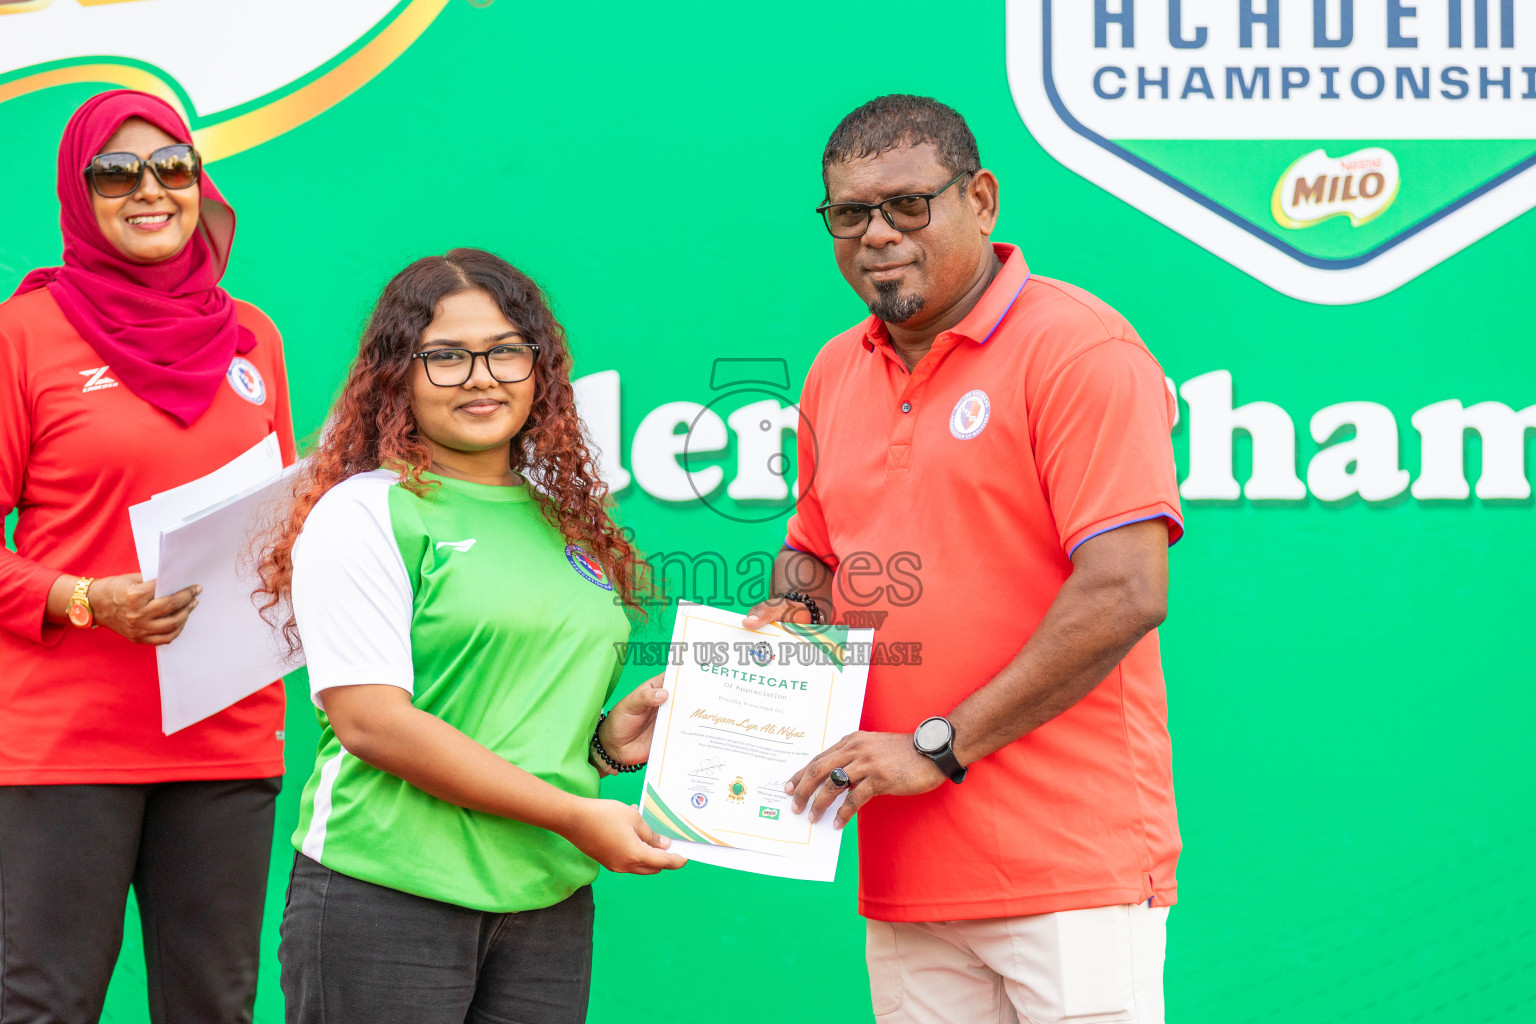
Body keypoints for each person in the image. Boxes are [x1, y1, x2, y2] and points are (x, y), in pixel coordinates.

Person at [743, 95, 1183, 1023]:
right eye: (849, 213)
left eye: (908, 205)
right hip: (907, 873)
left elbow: (1127, 590)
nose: (877, 235)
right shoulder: (834, 370)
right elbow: (813, 559)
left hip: (1073, 870)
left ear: (981, 200)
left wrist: (937, 749)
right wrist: (784, 641)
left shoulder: (1078, 348)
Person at [257, 248, 686, 1024]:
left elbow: (508, 711)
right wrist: (573, 814)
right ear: (399, 374)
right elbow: (373, 723)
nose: (482, 376)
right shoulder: (365, 513)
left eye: (504, 352)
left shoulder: (563, 518)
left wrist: (604, 745)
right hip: (387, 895)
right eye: (447, 357)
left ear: (539, 367)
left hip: (547, 898)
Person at [0, 91, 294, 1022]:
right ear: (78, 195)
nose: (149, 191)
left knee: (214, 1006)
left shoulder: (253, 336)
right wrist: (84, 599)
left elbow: (275, 522)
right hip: (67, 741)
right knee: (47, 1005)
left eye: (172, 167)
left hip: (226, 731)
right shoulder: (25, 335)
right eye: (115, 173)